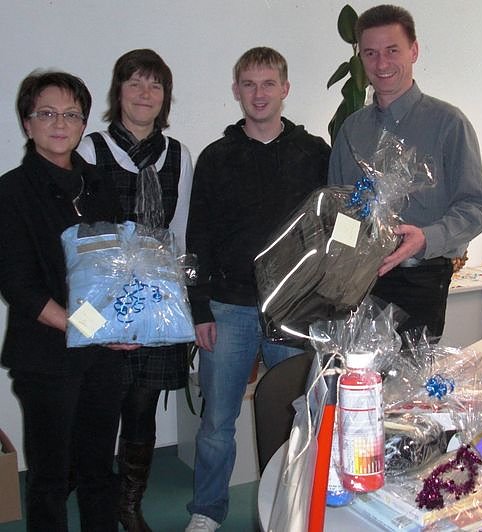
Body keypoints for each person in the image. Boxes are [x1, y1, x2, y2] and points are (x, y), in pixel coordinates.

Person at [184, 47, 330, 531]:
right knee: (216, 423)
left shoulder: (315, 154)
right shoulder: (216, 157)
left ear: (285, 89)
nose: (259, 93)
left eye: (269, 83)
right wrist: (199, 308)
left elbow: (332, 228)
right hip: (229, 308)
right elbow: (198, 237)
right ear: (236, 90)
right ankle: (207, 511)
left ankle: (294, 507)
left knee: (298, 417)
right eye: (249, 84)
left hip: (294, 308)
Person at [0, 71, 128, 531]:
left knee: (99, 471)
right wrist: (93, 328)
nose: (60, 123)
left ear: (83, 124)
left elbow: (118, 264)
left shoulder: (99, 183)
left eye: (72, 114)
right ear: (27, 123)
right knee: (51, 477)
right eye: (47, 113)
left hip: (102, 355)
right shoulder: (11, 192)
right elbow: (19, 286)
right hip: (46, 356)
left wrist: (127, 322)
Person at [77, 49, 193, 532]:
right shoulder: (90, 149)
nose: (145, 93)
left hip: (158, 300)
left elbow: (179, 232)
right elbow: (80, 236)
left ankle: (129, 504)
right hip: (106, 300)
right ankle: (97, 500)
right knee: (101, 405)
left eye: (155, 85)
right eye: (135, 83)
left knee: (142, 404)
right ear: (118, 91)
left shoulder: (179, 155)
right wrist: (95, 312)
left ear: (165, 96)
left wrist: (179, 301)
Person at [328, 4, 482, 338]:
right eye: (371, 53)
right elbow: (337, 209)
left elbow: (477, 209)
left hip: (422, 278)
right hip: (358, 281)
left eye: (392, 50)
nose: (381, 64)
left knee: (410, 370)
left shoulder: (449, 124)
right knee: (355, 369)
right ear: (360, 58)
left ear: (414, 51)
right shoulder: (351, 130)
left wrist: (426, 238)